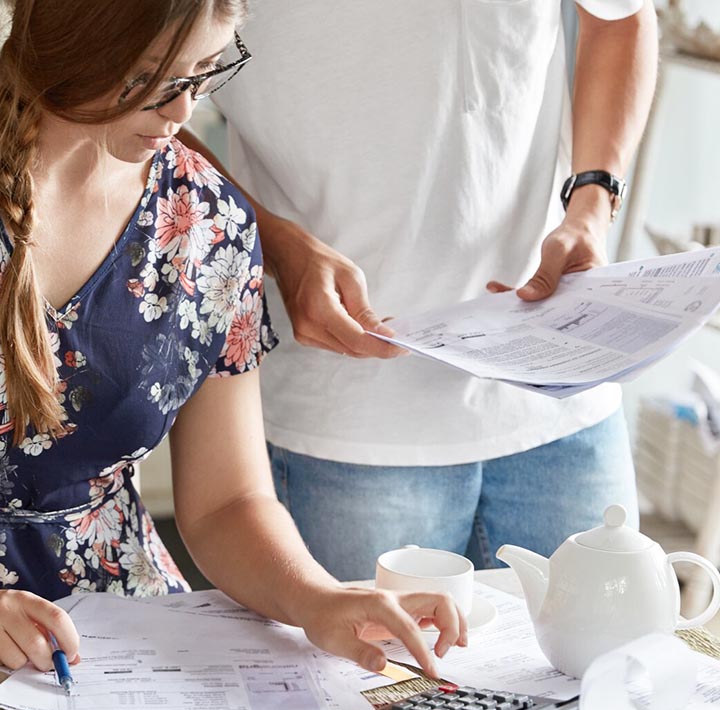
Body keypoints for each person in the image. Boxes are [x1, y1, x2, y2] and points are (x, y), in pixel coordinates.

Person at [0, 0, 465, 678]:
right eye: (147, 79)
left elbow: (226, 502)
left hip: (122, 630)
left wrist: (317, 600)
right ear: (71, 35)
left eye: (203, 74)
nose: (181, 111)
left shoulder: (210, 223)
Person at [179, 0, 658, 580]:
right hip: (352, 419)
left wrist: (591, 204)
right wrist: (275, 244)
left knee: (612, 667)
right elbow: (130, 96)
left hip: (564, 398)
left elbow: (621, 18)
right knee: (383, 673)